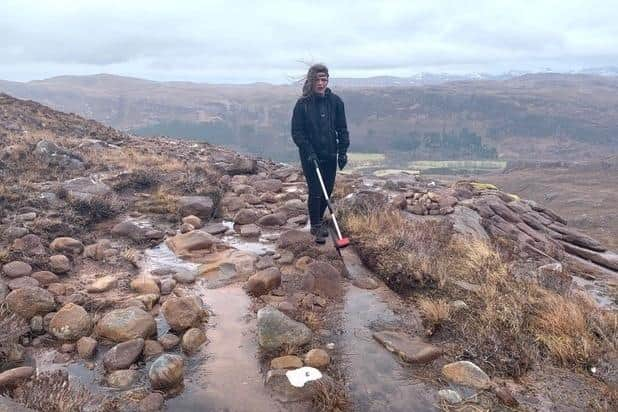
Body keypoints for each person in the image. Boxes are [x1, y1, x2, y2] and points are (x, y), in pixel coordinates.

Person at [291, 64, 350, 244]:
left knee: (328, 188)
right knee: (316, 190)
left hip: (330, 153)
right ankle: (315, 226)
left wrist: (342, 152)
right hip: (311, 155)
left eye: (324, 79)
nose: (321, 83)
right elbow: (297, 132)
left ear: (327, 80)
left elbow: (342, 129)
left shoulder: (336, 102)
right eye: (317, 79)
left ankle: (318, 220)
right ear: (311, 81)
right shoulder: (303, 104)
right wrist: (308, 152)